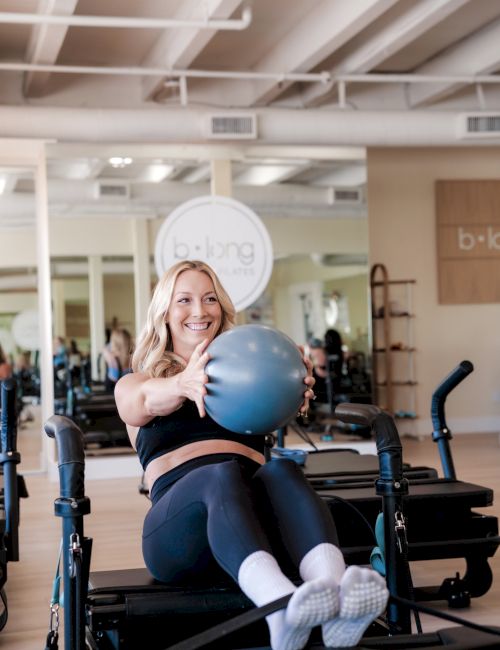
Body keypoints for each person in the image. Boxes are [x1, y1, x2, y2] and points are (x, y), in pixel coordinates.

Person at [115, 260, 388, 650]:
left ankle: (334, 596)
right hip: (180, 537)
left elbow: (282, 408)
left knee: (282, 471)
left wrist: (294, 390)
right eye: (185, 300)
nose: (199, 310)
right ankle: (278, 608)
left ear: (222, 308)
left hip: (252, 526)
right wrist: (183, 382)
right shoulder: (140, 382)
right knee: (220, 473)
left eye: (210, 299)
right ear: (164, 313)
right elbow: (138, 403)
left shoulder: (245, 371)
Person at [102, 328, 133, 392]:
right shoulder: (134, 358)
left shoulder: (113, 360)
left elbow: (110, 387)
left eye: (111, 342)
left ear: (115, 344)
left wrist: (111, 360)